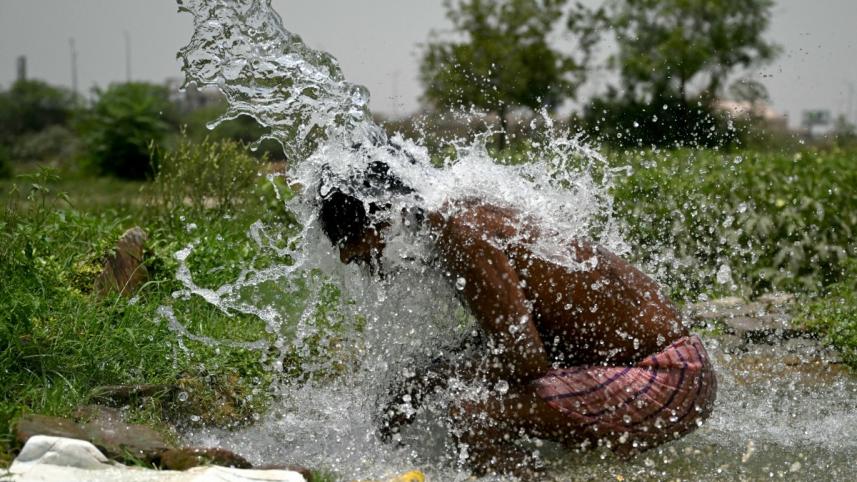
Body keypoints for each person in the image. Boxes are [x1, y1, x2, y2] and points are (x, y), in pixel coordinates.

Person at [317, 160, 717, 479]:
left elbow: (526, 361)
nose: (347, 258)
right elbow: (520, 338)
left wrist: (431, 380)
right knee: (445, 380)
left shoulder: (460, 232)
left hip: (668, 379)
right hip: (656, 365)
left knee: (469, 414)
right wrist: (425, 376)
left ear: (384, 215)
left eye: (351, 240)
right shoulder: (461, 213)